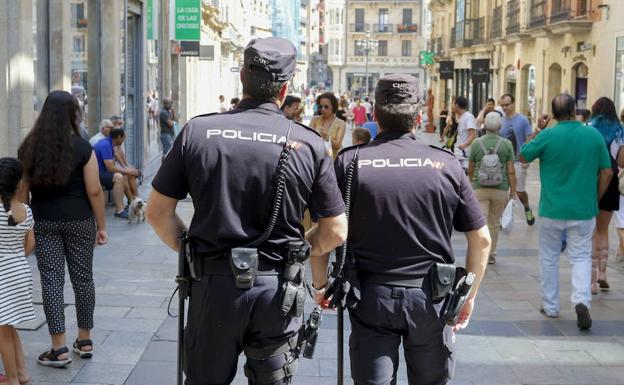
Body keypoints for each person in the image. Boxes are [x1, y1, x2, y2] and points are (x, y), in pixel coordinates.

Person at [146, 37, 348, 385]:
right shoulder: (309, 143)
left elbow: (157, 212)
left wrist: (191, 251)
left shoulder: (198, 131)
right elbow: (335, 230)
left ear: (242, 77)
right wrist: (300, 252)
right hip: (277, 291)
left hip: (213, 286)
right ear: (285, 89)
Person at [329, 74, 490, 385]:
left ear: (375, 115)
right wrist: (467, 297)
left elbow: (329, 230)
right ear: (419, 116)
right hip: (431, 299)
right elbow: (481, 239)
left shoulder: (351, 162)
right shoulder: (446, 164)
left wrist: (322, 281)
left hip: (370, 296)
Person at [17, 90, 108, 367]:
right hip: (80, 221)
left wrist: (24, 227)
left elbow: (22, 193)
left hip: (44, 222)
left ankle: (58, 348)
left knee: (52, 281)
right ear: (73, 114)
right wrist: (101, 225)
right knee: (83, 279)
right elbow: (94, 190)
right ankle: (85, 339)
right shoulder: (82, 148)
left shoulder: (29, 148)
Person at [520, 94, 613, 330]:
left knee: (549, 257)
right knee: (581, 256)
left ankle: (550, 306)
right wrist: (596, 197)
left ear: (553, 113)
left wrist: (540, 129)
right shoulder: (592, 135)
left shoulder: (548, 135)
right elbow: (607, 173)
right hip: (583, 209)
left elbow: (523, 155)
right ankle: (581, 300)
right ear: (574, 111)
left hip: (552, 209)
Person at [0, 158, 35, 385]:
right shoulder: (26, 210)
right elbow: (30, 244)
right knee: (9, 324)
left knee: (1, 331)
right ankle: (22, 373)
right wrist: (16, 255)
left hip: (1, 273)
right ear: (19, 184)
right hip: (19, 270)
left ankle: (11, 378)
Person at [468, 112, 516, 265]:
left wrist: (471, 183)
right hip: (500, 188)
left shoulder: (476, 143)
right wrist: (513, 192)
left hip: (479, 188)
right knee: (494, 223)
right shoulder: (507, 144)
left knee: (480, 223)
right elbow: (511, 171)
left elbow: (470, 168)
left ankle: (480, 252)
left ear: (485, 125)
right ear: (500, 126)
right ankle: (492, 254)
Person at [588, 97, 624, 294]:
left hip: (591, 179)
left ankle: (592, 282)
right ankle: (603, 272)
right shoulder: (620, 130)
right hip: (611, 181)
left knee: (591, 231)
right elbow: (622, 161)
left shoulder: (589, 127)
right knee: (603, 229)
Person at [500, 93, 535, 225]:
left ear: (513, 104)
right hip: (503, 162)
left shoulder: (523, 120)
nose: (504, 107)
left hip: (519, 162)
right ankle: (503, 219)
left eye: (507, 105)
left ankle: (526, 207)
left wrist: (525, 157)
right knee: (503, 191)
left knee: (519, 192)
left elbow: (529, 137)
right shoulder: (501, 121)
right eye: (502, 105)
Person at [93, 128, 139, 219]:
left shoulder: (109, 143)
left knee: (124, 175)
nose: (124, 140)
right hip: (96, 174)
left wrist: (127, 170)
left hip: (102, 172)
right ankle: (119, 210)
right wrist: (129, 170)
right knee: (119, 177)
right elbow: (110, 168)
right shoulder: (105, 145)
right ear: (118, 137)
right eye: (123, 137)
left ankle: (131, 202)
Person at [309, 92, 346, 158]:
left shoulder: (341, 123)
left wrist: (326, 135)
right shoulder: (315, 119)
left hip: (332, 161)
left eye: (326, 107)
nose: (323, 109)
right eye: (320, 106)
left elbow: (337, 146)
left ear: (333, 106)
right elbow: (308, 138)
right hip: (315, 160)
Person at [453, 96, 477, 170]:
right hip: (459, 153)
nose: (452, 106)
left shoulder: (468, 117)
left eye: (453, 104)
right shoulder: (462, 117)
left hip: (463, 154)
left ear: (456, 105)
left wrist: (464, 145)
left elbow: (472, 135)